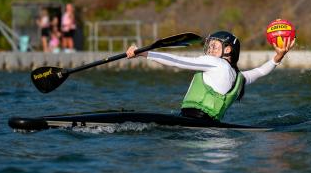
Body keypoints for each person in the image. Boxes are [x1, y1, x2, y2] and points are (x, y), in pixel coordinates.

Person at [126, 30, 296, 122]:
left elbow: (178, 61)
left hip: (191, 121)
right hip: (212, 129)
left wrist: (144, 53)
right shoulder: (239, 78)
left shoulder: (216, 63)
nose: (209, 50)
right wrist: (278, 57)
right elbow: (260, 71)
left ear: (228, 50)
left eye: (214, 46)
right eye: (209, 47)